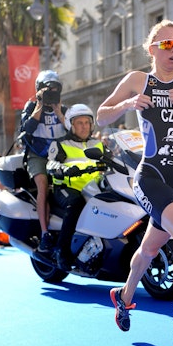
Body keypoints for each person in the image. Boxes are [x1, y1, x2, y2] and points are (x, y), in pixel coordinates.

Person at [96, 19, 173, 346]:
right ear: (152, 50)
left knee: (150, 248)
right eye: (167, 45)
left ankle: (123, 297)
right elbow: (101, 115)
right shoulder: (138, 80)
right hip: (150, 176)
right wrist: (127, 105)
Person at [49, 104, 104, 269]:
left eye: (87, 122)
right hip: (67, 188)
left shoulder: (98, 144)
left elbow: (115, 159)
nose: (84, 126)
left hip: (93, 188)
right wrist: (63, 169)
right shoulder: (61, 143)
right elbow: (51, 164)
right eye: (80, 123)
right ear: (70, 125)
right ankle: (62, 251)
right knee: (76, 203)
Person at [20, 70, 67, 255]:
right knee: (43, 185)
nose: (51, 92)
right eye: (48, 89)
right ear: (39, 89)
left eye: (55, 89)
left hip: (60, 156)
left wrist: (59, 112)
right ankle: (44, 232)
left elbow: (73, 130)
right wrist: (39, 105)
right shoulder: (31, 106)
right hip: (37, 155)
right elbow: (26, 129)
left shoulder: (63, 108)